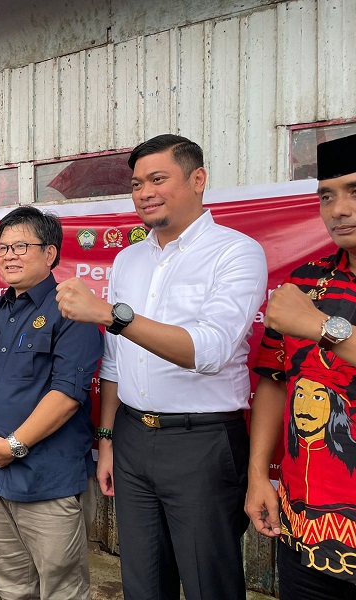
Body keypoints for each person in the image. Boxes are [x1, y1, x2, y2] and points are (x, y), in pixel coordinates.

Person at [56, 134, 268, 600]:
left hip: (201, 443)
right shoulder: (128, 258)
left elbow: (210, 350)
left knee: (208, 584)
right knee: (143, 583)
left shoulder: (236, 252)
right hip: (132, 438)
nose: (145, 193)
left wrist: (111, 315)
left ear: (198, 179)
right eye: (136, 184)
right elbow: (116, 361)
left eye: (157, 179)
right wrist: (107, 440)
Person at [0, 206, 103, 600]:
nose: (8, 256)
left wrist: (14, 445)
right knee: (11, 586)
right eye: (3, 247)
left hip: (48, 479)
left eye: (21, 246)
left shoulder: (71, 311)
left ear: (50, 253)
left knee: (62, 589)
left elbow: (67, 395)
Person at [246, 133, 356, 598]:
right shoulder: (306, 283)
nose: (338, 210)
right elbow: (273, 381)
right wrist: (258, 476)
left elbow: (317, 329)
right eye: (327, 196)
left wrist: (320, 327)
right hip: (305, 526)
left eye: (354, 192)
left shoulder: (305, 309)